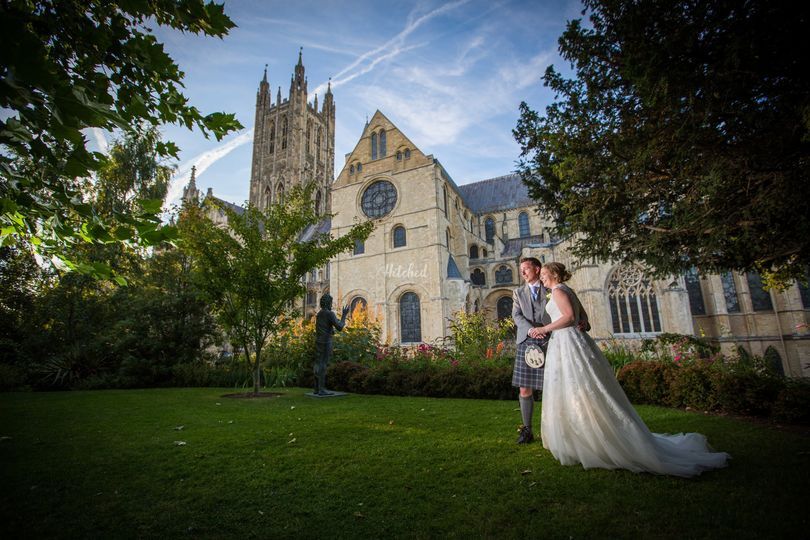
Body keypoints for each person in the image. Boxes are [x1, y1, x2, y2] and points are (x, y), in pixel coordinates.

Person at [536, 262, 729, 477]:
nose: (541, 277)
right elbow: (584, 320)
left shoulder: (559, 291)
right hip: (570, 342)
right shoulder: (565, 290)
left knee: (577, 385)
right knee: (580, 386)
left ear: (554, 274)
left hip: (567, 343)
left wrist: (544, 328)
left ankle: (589, 437)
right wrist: (580, 325)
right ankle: (579, 433)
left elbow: (571, 317)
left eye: (543, 274)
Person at [511, 257, 590, 444]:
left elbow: (576, 307)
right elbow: (516, 315)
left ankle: (567, 428)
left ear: (537, 269)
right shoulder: (518, 292)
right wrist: (531, 330)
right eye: (521, 269)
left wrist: (584, 321)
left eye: (526, 269)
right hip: (527, 341)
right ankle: (527, 430)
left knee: (559, 385)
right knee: (524, 388)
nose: (522, 273)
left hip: (553, 339)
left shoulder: (553, 286)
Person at [314, 293, 350, 395]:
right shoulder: (330, 314)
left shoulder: (320, 314)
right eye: (331, 302)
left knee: (318, 363)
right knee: (323, 364)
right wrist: (344, 315)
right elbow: (340, 327)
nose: (332, 305)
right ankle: (322, 389)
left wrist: (330, 330)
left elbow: (321, 327)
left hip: (319, 341)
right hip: (326, 342)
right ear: (328, 303)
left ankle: (316, 388)